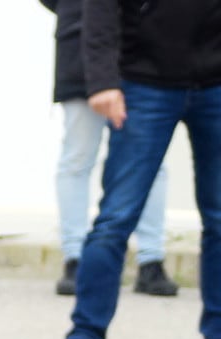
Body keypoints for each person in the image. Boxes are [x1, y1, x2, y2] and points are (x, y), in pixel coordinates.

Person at [49, 0, 221, 339]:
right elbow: (100, 11)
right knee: (115, 219)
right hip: (144, 85)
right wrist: (102, 81)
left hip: (215, 84)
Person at [42, 0, 176, 296]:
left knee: (152, 162)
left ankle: (151, 259)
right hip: (79, 48)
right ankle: (75, 258)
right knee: (77, 158)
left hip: (144, 56)